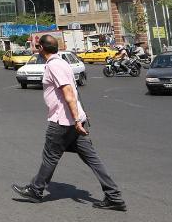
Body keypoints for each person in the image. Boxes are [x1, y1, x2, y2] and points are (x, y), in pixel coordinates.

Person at [12, 34, 126, 212]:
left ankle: (35, 190)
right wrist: (81, 115)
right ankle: (114, 196)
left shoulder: (55, 66)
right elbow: (74, 91)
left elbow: (68, 93)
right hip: (75, 120)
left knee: (50, 157)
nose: (35, 48)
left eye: (36, 46)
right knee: (92, 159)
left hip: (63, 122)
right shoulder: (63, 62)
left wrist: (76, 119)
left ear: (42, 48)